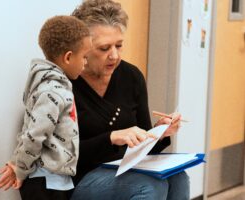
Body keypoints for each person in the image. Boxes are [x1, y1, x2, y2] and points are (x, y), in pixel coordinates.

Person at [69, 0, 190, 199]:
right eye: (104, 48)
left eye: (119, 45)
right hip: (81, 176)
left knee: (178, 177)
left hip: (128, 169)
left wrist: (159, 133)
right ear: (83, 47)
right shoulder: (65, 83)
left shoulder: (131, 76)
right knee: (149, 186)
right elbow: (62, 154)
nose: (114, 55)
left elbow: (143, 145)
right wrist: (111, 137)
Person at [0, 15, 92, 200]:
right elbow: (34, 134)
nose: (86, 63)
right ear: (68, 57)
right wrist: (20, 168)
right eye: (84, 57)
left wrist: (17, 163)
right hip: (45, 182)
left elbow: (30, 130)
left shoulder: (54, 87)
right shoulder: (53, 92)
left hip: (54, 180)